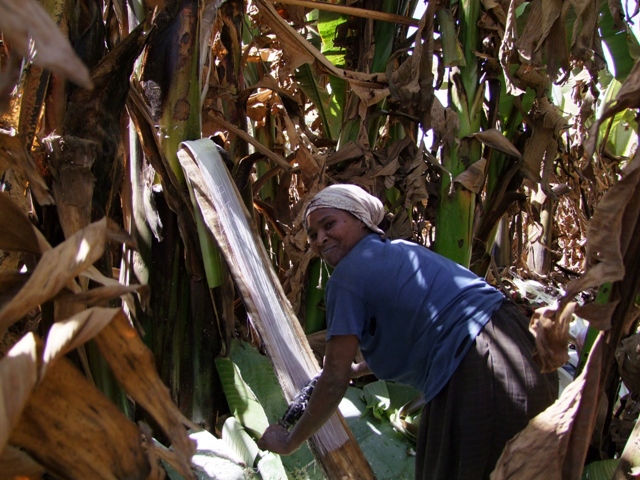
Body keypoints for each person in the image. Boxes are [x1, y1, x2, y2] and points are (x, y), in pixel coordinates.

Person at [257, 184, 558, 479]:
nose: (321, 238)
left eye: (329, 224)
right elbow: (421, 327)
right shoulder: (401, 250)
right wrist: (358, 370)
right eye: (312, 235)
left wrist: (288, 441)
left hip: (480, 365)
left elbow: (334, 378)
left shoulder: (346, 276)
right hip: (521, 347)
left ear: (361, 220)